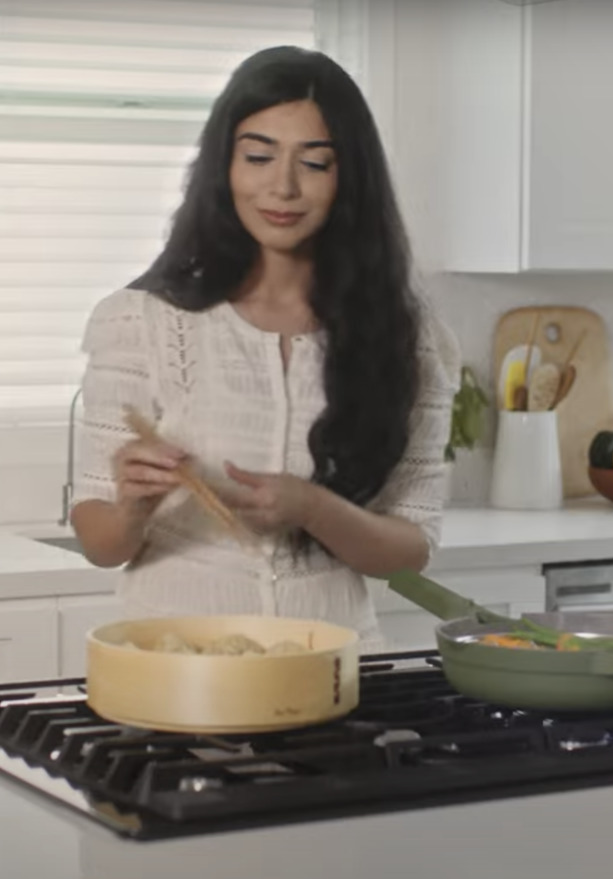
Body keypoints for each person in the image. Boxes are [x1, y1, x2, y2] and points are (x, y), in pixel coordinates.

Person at [67, 46, 460, 648]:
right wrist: (133, 505)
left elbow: (412, 548)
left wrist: (315, 509)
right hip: (177, 665)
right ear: (224, 167)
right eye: (258, 156)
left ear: (348, 178)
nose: (283, 187)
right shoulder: (139, 321)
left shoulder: (410, 341)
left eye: (316, 163)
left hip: (333, 666)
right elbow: (100, 543)